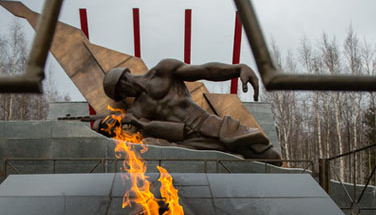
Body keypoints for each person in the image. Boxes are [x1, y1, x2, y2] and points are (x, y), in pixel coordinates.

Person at [95, 59, 281, 163]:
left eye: (122, 88)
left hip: (208, 123)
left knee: (270, 158)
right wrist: (101, 127)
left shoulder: (163, 70)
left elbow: (205, 70)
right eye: (120, 94)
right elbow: (130, 138)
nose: (125, 93)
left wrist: (237, 69)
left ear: (125, 77)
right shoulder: (137, 109)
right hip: (189, 142)